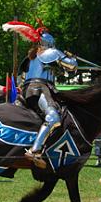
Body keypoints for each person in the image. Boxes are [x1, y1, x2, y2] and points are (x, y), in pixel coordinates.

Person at [19, 28, 77, 168]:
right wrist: (72, 57)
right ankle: (35, 151)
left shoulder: (30, 57)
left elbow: (20, 78)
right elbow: (72, 66)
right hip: (40, 89)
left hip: (26, 91)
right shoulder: (51, 53)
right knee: (53, 118)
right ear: (50, 43)